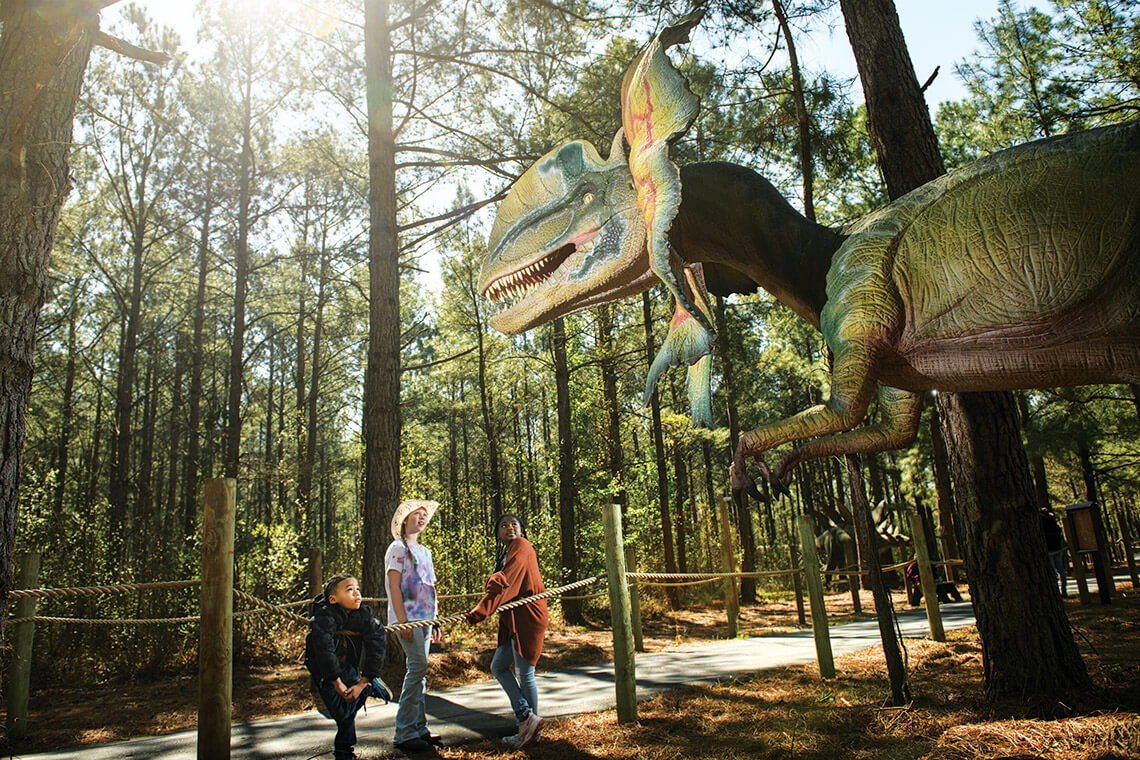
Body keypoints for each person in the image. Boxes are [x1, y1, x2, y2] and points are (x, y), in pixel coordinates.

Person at [465, 513, 548, 749]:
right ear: (498, 532)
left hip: (528, 616)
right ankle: (528, 721)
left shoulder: (522, 546)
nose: (509, 528)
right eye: (504, 525)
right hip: (514, 618)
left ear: (521, 530)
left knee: (525, 673)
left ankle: (528, 727)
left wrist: (481, 610)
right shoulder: (505, 553)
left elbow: (507, 582)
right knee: (499, 666)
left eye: (514, 524)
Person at [305, 573, 392, 760]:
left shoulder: (363, 616)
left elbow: (377, 644)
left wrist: (363, 680)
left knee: (348, 704)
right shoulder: (323, 616)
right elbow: (324, 650)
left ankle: (344, 751)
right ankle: (369, 690)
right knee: (340, 712)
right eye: (349, 590)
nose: (356, 593)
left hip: (350, 666)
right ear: (333, 599)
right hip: (325, 671)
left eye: (357, 589)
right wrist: (336, 681)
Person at [386, 499, 442, 753]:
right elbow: (394, 587)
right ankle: (405, 732)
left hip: (426, 619)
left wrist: (436, 620)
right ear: (404, 520)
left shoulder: (426, 551)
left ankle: (420, 728)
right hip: (407, 619)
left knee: (420, 673)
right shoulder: (397, 548)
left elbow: (431, 588)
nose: (421, 519)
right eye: (416, 515)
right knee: (417, 669)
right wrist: (402, 621)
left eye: (424, 516)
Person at [1041, 507, 1067, 597]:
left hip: (1049, 550)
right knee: (1061, 571)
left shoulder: (1042, 523)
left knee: (1052, 572)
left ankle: (1056, 593)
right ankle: (1064, 591)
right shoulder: (1053, 521)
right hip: (1057, 548)